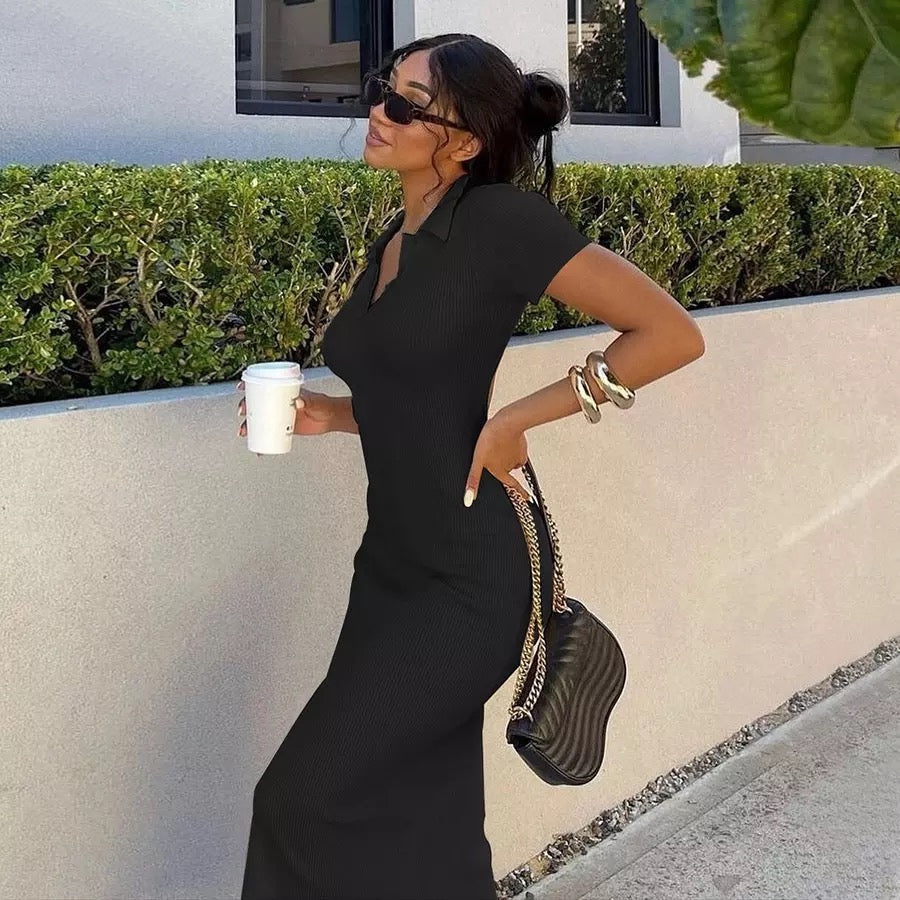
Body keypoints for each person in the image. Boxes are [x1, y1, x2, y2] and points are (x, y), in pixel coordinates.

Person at [237, 32, 705, 900]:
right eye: (382, 87)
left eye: (406, 104)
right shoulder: (401, 233)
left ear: (463, 143)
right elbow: (422, 391)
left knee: (300, 799)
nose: (378, 110)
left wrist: (521, 417)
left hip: (469, 576)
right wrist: (335, 415)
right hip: (392, 565)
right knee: (426, 811)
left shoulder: (500, 222)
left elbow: (671, 334)